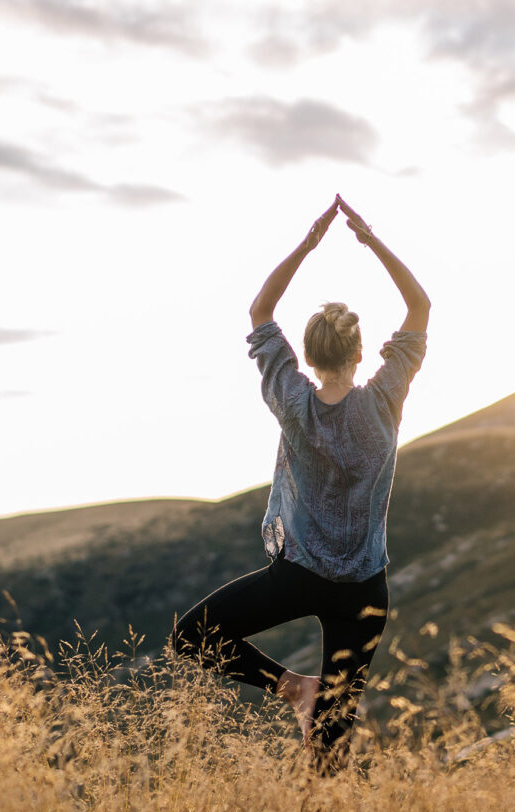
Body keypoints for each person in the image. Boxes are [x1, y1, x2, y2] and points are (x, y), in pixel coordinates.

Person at [172, 195, 430, 774]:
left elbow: (261, 307)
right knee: (329, 760)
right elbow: (420, 304)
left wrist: (309, 244)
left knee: (190, 636)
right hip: (365, 590)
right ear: (362, 353)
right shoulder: (386, 399)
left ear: (307, 357)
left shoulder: (292, 400)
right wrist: (371, 239)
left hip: (298, 576)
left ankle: (293, 687)